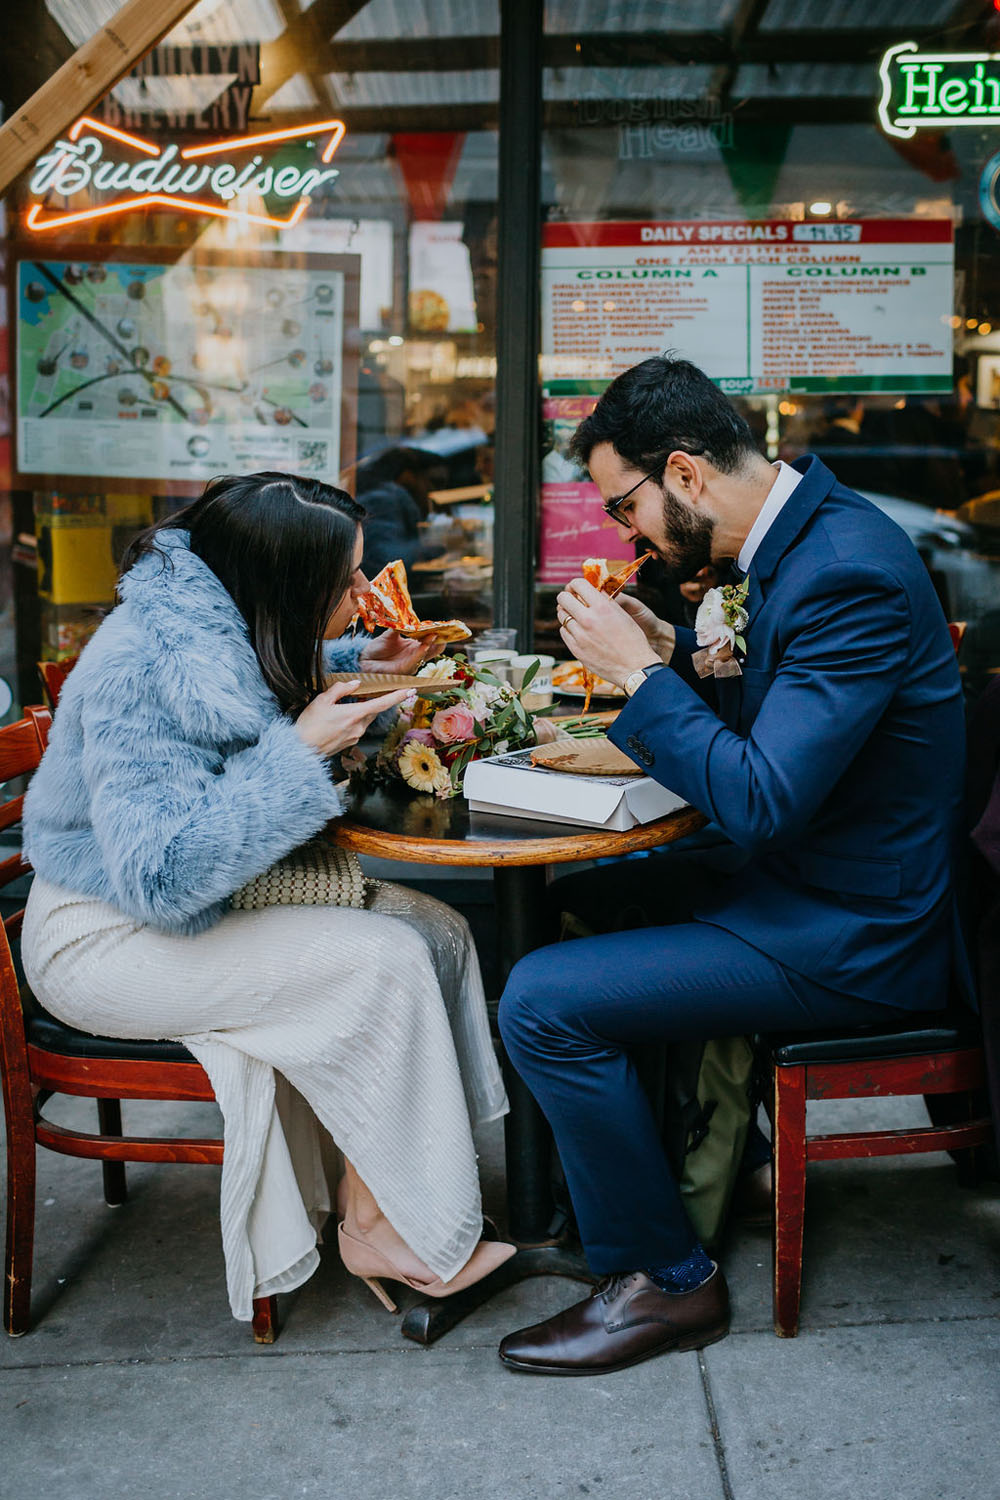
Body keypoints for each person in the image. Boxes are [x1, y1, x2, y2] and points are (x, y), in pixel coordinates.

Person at [496, 356, 970, 1376]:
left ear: (685, 472)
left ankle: (666, 1280)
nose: (626, 533)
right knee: (566, 909)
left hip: (853, 927)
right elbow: (796, 733)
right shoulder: (802, 538)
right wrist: (675, 665)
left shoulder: (845, 570)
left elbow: (760, 801)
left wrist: (637, 677)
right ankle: (686, 1171)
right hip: (805, 879)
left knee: (540, 999)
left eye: (627, 503)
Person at [21, 471, 513, 1324]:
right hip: (105, 935)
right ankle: (387, 1232)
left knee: (434, 929)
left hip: (176, 910)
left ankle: (401, 1196)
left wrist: (363, 666)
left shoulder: (213, 617)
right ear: (286, 584)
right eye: (346, 582)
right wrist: (296, 752)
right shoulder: (142, 667)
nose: (363, 595)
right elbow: (163, 877)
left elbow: (254, 671)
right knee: (384, 958)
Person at [355, 445, 446, 578]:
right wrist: (437, 546)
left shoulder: (377, 493)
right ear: (408, 477)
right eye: (434, 482)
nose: (434, 491)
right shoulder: (383, 499)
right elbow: (386, 559)